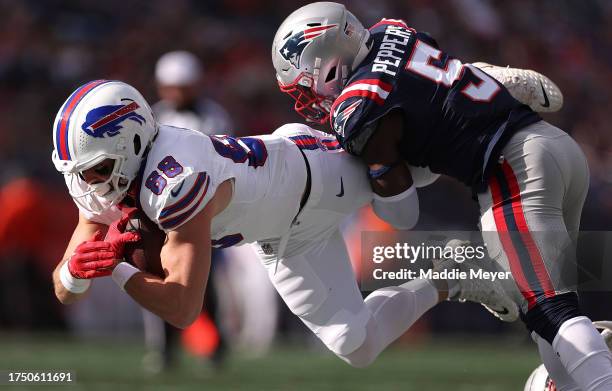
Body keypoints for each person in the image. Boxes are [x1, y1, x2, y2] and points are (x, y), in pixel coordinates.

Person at [51, 80, 516, 368]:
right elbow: (64, 284)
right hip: (278, 233)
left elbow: (183, 308)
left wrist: (117, 269)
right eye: (78, 172)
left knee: (426, 159)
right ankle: (450, 281)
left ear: (132, 142)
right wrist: (77, 270)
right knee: (355, 344)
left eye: (93, 168)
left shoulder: (174, 178)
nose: (86, 183)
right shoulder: (104, 179)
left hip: (315, 177)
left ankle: (477, 83)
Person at [272, 2, 612, 389]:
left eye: (305, 84)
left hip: (510, 168)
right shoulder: (391, 31)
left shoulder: (359, 106)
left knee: (552, 309)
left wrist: (379, 176)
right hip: (555, 146)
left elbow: (403, 213)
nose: (309, 97)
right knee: (542, 313)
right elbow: (443, 85)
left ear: (325, 61)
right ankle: (566, 381)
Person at [153, 50, 232, 135]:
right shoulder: (154, 116)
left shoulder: (215, 118)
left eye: (183, 89)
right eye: (170, 89)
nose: (177, 95)